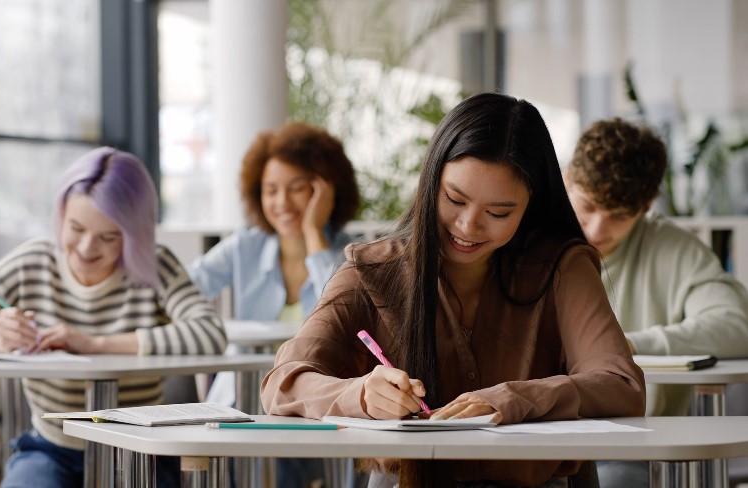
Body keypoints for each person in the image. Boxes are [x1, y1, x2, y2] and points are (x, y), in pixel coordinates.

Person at [261, 92, 646, 488]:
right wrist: (360, 395)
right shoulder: (371, 270)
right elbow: (283, 382)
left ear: (531, 203)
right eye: (454, 199)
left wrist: (515, 400)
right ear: (431, 184)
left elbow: (622, 384)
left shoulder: (564, 268)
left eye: (499, 213)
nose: (468, 226)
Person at [0, 147, 227, 488]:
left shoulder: (155, 266)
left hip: (140, 451)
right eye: (75, 228)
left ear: (134, 234)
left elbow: (209, 333)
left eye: (108, 237)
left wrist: (95, 344)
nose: (85, 249)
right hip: (52, 448)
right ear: (60, 215)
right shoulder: (31, 262)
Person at [564, 118, 748, 487]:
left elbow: (736, 326)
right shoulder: (522, 239)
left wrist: (625, 346)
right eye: (588, 206)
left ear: (645, 207)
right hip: (534, 440)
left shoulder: (672, 247)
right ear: (567, 180)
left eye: (618, 216)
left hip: (630, 452)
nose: (597, 228)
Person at [187, 121, 360, 488]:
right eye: (270, 190)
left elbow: (339, 304)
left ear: (325, 190)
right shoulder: (245, 246)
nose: (282, 203)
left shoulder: (352, 255)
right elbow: (183, 287)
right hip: (237, 405)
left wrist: (314, 234)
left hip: (310, 409)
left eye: (297, 189)